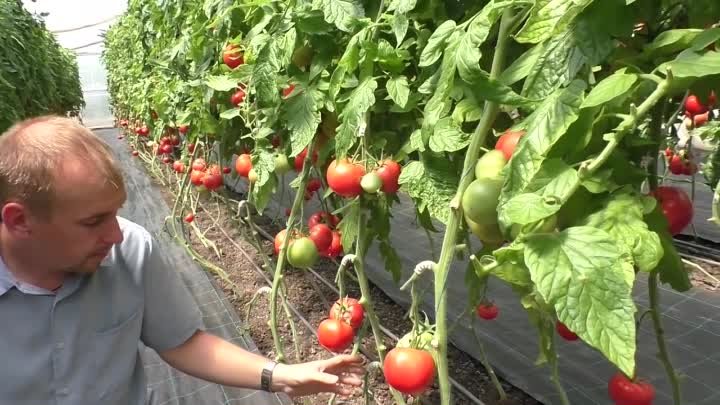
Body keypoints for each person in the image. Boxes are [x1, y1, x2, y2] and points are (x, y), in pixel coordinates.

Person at [0, 116, 365, 404]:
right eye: (93, 221)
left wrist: (281, 376)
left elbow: (180, 341)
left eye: (114, 213)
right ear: (19, 221)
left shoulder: (130, 250)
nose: (115, 234)